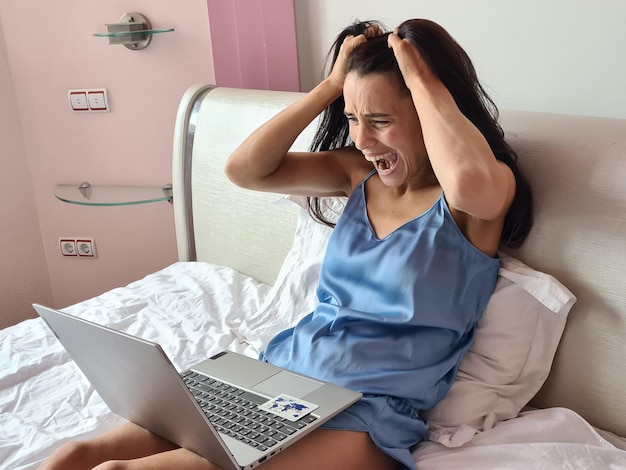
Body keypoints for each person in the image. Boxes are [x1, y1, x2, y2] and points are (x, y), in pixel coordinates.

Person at [39, 18, 532, 470]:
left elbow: (466, 177)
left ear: (430, 110)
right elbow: (244, 169)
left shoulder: (477, 199)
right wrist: (331, 87)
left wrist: (425, 79)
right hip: (278, 380)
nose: (362, 139)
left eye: (380, 120)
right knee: (76, 454)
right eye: (353, 118)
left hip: (365, 412)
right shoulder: (356, 173)